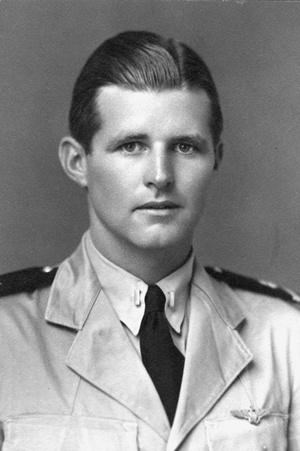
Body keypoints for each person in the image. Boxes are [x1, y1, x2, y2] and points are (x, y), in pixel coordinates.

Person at [0, 30, 300, 451]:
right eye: (131, 145)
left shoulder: (286, 337)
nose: (160, 175)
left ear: (217, 158)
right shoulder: (7, 338)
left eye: (184, 146)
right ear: (76, 162)